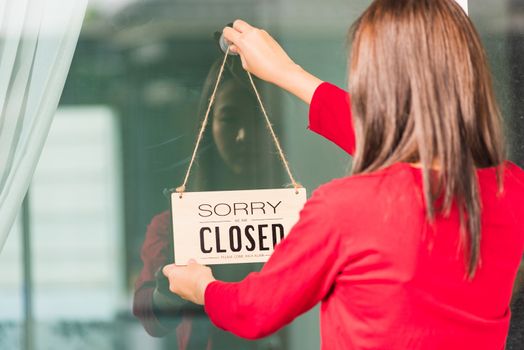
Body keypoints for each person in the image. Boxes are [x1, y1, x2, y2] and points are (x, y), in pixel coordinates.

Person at [162, 1, 524, 349]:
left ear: (374, 85)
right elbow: (406, 147)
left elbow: (254, 309)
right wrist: (288, 75)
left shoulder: (348, 208)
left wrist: (202, 287)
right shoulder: (512, 189)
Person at [132, 48, 283, 349]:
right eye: (228, 119)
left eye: (256, 118)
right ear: (208, 125)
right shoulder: (173, 226)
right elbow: (149, 315)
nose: (243, 135)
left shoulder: (310, 216)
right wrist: (171, 289)